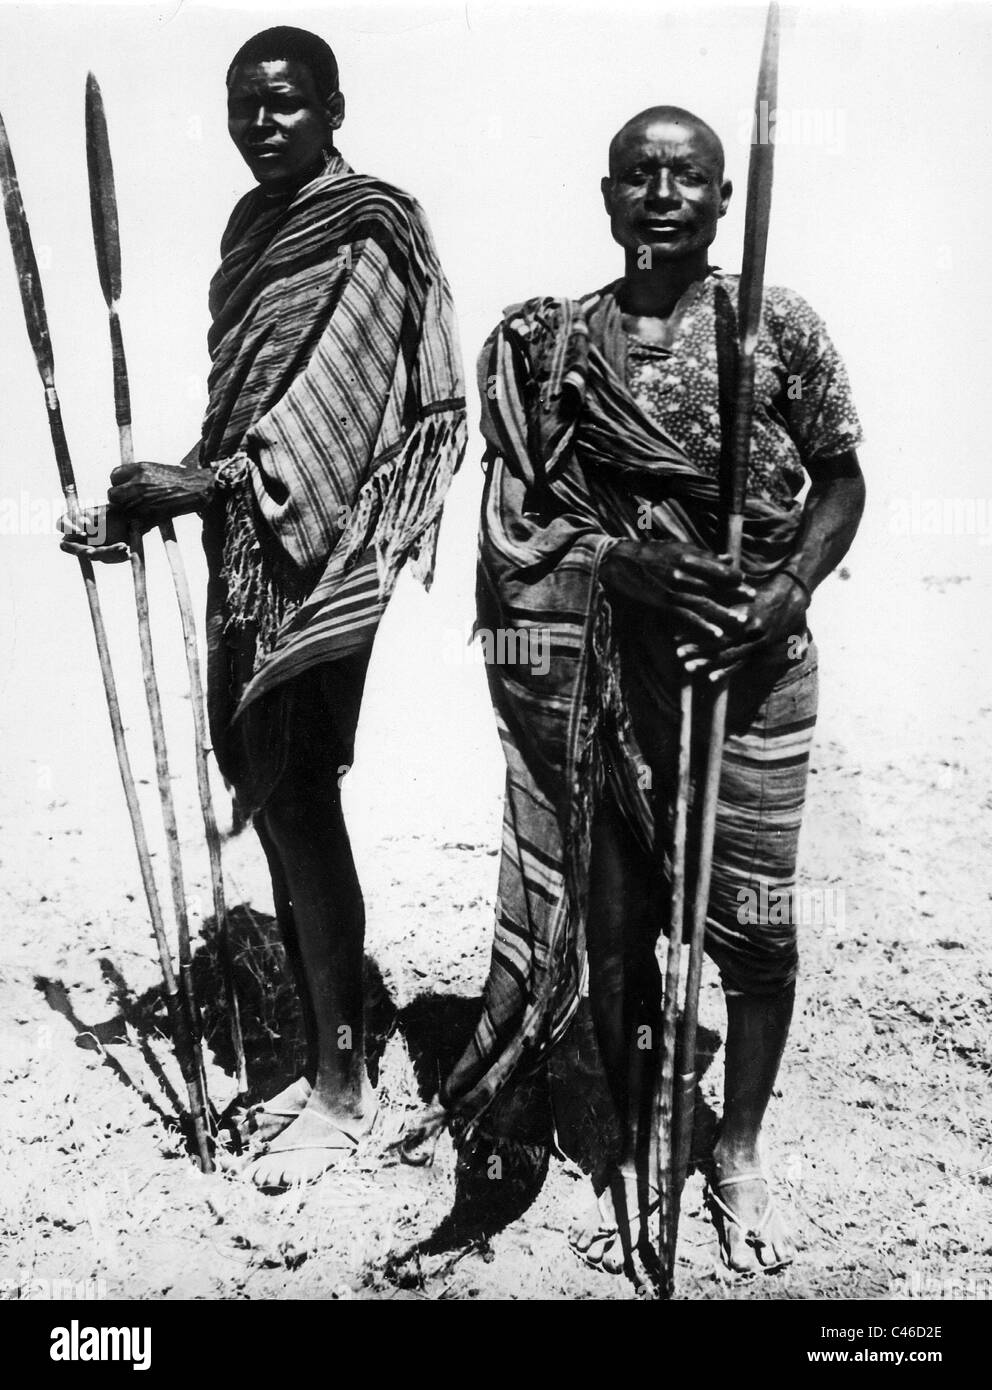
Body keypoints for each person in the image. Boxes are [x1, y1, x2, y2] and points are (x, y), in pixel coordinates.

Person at [409, 105, 864, 1278]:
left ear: (722, 200)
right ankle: (618, 1132)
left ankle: (740, 1147)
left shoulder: (774, 328)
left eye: (689, 178)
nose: (662, 195)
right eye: (638, 176)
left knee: (754, 934)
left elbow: (840, 482)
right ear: (605, 195)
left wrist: (789, 590)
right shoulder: (558, 345)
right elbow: (515, 520)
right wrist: (617, 561)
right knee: (612, 928)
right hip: (601, 686)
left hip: (745, 674)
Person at [64, 26, 466, 1189]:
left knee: (298, 795)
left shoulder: (374, 222)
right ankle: (324, 1044)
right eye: (243, 103)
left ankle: (341, 1076)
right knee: (271, 792)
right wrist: (153, 503)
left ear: (334, 107)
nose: (260, 122)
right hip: (248, 548)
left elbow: (348, 414)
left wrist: (215, 485)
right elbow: (242, 417)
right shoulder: (248, 234)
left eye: (284, 103)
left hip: (325, 544)